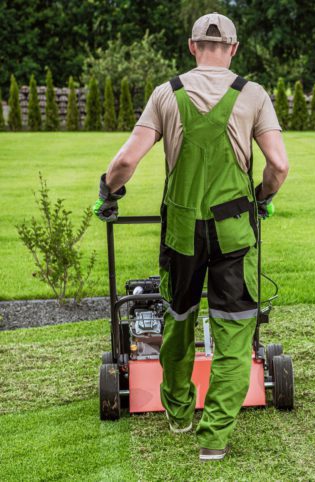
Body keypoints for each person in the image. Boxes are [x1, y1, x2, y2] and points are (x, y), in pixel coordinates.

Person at [93, 12, 289, 461]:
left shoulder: (168, 93)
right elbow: (279, 166)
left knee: (178, 318)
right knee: (236, 331)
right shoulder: (253, 95)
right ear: (234, 49)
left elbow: (126, 160)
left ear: (192, 46)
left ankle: (178, 411)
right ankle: (214, 437)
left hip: (182, 232)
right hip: (235, 231)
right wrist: (261, 197)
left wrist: (109, 190)